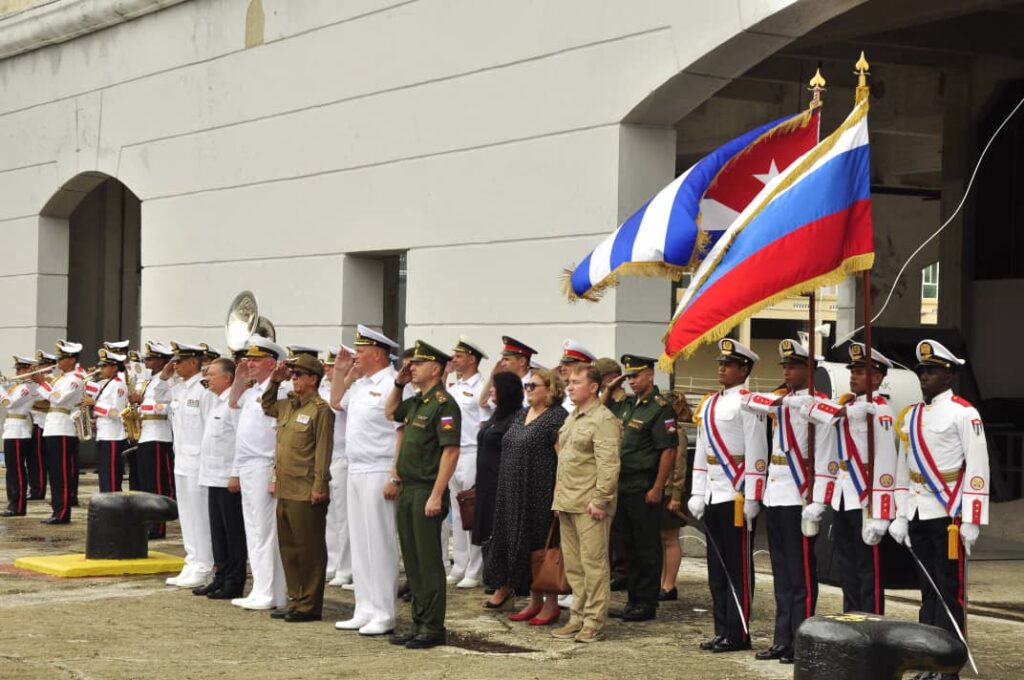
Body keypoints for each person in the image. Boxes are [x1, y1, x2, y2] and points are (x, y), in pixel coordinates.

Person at [890, 339, 989, 678]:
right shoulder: (912, 416)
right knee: (928, 592)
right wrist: (900, 513)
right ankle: (925, 662)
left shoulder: (965, 413)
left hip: (948, 516)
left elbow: (977, 468)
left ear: (948, 375)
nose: (925, 376)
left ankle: (948, 667)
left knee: (950, 593)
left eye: (932, 371)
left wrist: (972, 519)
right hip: (919, 512)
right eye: (922, 371)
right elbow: (905, 465)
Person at [742, 339, 832, 664]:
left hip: (800, 496)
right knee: (781, 573)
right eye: (784, 366)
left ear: (810, 370)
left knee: (802, 576)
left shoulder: (819, 405)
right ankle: (783, 639)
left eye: (793, 366)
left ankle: (802, 641)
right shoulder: (780, 401)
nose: (787, 372)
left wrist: (819, 501)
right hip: (776, 493)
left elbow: (825, 458)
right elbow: (748, 402)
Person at [803, 342, 898, 614]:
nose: (853, 376)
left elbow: (886, 464)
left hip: (866, 499)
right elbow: (811, 410)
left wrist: (882, 514)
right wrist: (845, 411)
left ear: (877, 378)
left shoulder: (880, 410)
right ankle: (852, 622)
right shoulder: (848, 406)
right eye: (852, 371)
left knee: (868, 572)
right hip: (843, 497)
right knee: (847, 569)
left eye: (860, 371)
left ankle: (871, 626)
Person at [688, 339, 767, 654]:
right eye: (721, 363)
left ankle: (739, 632)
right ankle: (722, 629)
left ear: (744, 369)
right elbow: (702, 453)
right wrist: (696, 491)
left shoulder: (748, 403)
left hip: (736, 495)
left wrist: (753, 494)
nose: (722, 368)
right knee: (716, 569)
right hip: (711, 494)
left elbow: (757, 451)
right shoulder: (708, 404)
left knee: (737, 568)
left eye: (729, 364)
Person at [385, 341, 462, 649]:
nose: (411, 367)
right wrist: (398, 383)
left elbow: (451, 452)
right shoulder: (417, 401)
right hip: (408, 488)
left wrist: (436, 494)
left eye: (418, 364)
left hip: (426, 490)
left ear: (435, 369)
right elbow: (391, 412)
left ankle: (432, 627)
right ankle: (418, 622)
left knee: (429, 562)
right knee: (413, 561)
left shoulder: (444, 404)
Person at [331, 325, 402, 636]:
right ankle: (364, 607)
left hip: (379, 468)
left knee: (380, 542)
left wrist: (395, 475)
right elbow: (336, 402)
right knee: (360, 542)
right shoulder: (360, 385)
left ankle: (384, 611)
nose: (356, 356)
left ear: (378, 353)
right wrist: (340, 371)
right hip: (356, 468)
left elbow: (402, 431)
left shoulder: (393, 384)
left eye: (361, 351)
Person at [482, 368, 567, 621]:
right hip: (511, 489)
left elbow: (563, 459)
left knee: (540, 545)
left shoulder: (557, 418)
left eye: (534, 386)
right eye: (527, 386)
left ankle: (551, 603)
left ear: (550, 390)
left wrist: (558, 493)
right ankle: (533, 600)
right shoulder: (522, 414)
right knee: (520, 545)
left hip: (538, 490)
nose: (528, 390)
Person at [602, 355, 677, 622]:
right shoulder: (627, 405)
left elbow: (668, 451)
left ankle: (646, 602)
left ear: (650, 376)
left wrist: (658, 487)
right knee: (627, 546)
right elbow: (599, 415)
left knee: (646, 546)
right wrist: (610, 390)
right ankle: (632, 599)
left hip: (644, 485)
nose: (632, 381)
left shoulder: (659, 408)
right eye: (629, 376)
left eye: (636, 376)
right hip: (622, 485)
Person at [550, 363, 621, 643]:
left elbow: (609, 464)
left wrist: (601, 500)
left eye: (577, 382)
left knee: (594, 565)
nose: (570, 386)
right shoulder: (573, 417)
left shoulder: (602, 420)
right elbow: (565, 460)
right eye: (570, 382)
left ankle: (594, 621)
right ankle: (577, 617)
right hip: (568, 500)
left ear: (594, 387)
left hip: (590, 503)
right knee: (574, 566)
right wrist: (558, 498)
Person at [263, 353, 334, 623]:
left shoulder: (320, 409)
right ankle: (295, 599)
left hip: (306, 489)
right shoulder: (288, 406)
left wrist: (319, 485)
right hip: (285, 486)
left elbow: (323, 451)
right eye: (292, 375)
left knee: (309, 551)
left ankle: (310, 605)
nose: (293, 380)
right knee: (289, 548)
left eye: (298, 375)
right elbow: (266, 405)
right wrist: (274, 381)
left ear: (313, 379)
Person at [228, 336, 290, 611]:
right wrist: (240, 376)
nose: (248, 363)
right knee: (253, 530)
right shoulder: (252, 391)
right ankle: (261, 588)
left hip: (266, 465)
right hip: (249, 465)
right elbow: (232, 403)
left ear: (271, 363)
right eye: (247, 359)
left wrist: (276, 473)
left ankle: (270, 591)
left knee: (266, 532)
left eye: (255, 360)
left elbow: (281, 435)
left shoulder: (281, 391)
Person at [194, 357, 248, 600]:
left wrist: (236, 473)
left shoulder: (234, 403)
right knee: (217, 533)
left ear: (228, 378)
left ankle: (234, 581)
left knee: (233, 533)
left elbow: (240, 441)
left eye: (212, 375)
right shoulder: (215, 402)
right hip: (212, 477)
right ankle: (220, 576)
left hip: (228, 478)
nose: (208, 378)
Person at [162, 342, 214, 588]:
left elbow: (209, 429)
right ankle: (192, 560)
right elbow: (156, 396)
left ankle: (204, 565)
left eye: (180, 361)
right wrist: (164, 378)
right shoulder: (179, 389)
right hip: (181, 460)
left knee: (200, 516)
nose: (175, 365)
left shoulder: (204, 389)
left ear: (195, 362)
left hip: (199, 463)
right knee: (186, 514)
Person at [445, 335, 490, 589]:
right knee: (457, 514)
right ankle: (459, 565)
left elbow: (483, 422)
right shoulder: (455, 386)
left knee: (471, 511)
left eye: (459, 356)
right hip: (454, 450)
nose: (454, 359)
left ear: (472, 359)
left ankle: (475, 568)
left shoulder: (479, 387)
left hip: (472, 451)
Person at [33, 340, 85, 525]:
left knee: (61, 473)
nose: (58, 361)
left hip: (63, 428)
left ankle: (62, 512)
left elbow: (59, 399)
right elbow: (45, 397)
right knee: (54, 472)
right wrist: (42, 384)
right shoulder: (60, 379)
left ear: (71, 360)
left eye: (62, 358)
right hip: (52, 427)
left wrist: (42, 383)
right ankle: (57, 509)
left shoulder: (75, 379)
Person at [472, 372, 524, 548]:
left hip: (501, 488)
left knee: (499, 539)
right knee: (486, 538)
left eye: (496, 387)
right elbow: (483, 399)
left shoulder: (517, 417)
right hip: (485, 485)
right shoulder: (497, 414)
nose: (491, 390)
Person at [135, 341, 176, 538]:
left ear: (161, 360)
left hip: (160, 434)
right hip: (145, 434)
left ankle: (159, 525)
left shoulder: (169, 379)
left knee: (159, 483)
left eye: (150, 358)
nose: (147, 362)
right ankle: (151, 521)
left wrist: (143, 407)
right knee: (147, 483)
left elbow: (168, 406)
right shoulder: (149, 380)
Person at [321, 347, 353, 588]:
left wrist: (345, 376)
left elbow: (336, 405)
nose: (328, 370)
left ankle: (345, 567)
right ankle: (333, 564)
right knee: (331, 518)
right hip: (329, 457)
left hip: (344, 458)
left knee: (343, 518)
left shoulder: (348, 391)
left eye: (333, 366)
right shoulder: (325, 389)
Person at [660, 390, 692, 601]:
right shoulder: (664, 428)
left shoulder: (676, 431)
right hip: (662, 488)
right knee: (661, 538)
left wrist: (676, 496)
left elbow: (679, 465)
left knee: (670, 537)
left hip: (672, 490)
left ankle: (669, 584)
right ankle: (662, 581)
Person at [83, 349, 130, 493]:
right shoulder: (108, 384)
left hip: (113, 436)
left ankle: (114, 508)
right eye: (101, 366)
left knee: (110, 476)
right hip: (104, 434)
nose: (101, 369)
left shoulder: (119, 385)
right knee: (104, 476)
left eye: (104, 366)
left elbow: (117, 412)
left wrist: (95, 404)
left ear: (115, 367)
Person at [1, 355, 39, 516]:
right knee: (12, 470)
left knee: (17, 470)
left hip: (19, 431)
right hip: (11, 429)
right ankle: (13, 503)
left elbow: (8, 403)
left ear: (28, 370)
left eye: (20, 369)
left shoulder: (27, 388)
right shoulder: (19, 386)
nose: (17, 372)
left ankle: (18, 505)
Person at [28, 351, 56, 502]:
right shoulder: (37, 381)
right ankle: (34, 488)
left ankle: (38, 490)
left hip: (43, 422)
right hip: (35, 421)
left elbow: (44, 401)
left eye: (42, 364)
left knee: (38, 459)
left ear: (50, 366)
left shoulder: (51, 380)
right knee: (33, 459)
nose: (39, 367)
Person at [480, 336, 536, 409]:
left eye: (506, 360)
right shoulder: (505, 384)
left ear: (522, 361)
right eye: (502, 360)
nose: (502, 364)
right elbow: (483, 402)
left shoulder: (533, 385)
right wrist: (492, 376)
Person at [557, 340, 596, 412]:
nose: (562, 368)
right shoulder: (562, 391)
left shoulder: (590, 393)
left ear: (582, 366)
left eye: (568, 364)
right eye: (562, 364)